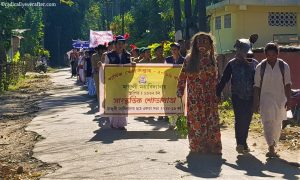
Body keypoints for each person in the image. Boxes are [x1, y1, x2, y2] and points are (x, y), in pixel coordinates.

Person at [177, 32, 222, 154]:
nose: (202, 43)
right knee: (196, 121)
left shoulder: (213, 59)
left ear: (210, 45)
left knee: (211, 121)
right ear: (195, 44)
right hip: (194, 98)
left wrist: (219, 94)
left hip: (209, 97)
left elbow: (217, 79)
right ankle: (197, 147)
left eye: (205, 41)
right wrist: (180, 91)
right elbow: (182, 77)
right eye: (199, 41)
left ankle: (213, 147)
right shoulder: (189, 59)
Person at [216, 38, 258, 154]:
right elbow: (224, 79)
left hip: (250, 96)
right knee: (240, 119)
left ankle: (243, 142)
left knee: (248, 120)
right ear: (238, 51)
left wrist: (259, 98)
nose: (246, 53)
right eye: (243, 50)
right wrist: (218, 92)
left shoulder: (254, 64)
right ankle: (240, 143)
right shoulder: (232, 64)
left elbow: (259, 82)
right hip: (237, 95)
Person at [253, 42, 292, 158]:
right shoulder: (261, 67)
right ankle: (270, 146)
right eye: (268, 54)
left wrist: (289, 100)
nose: (271, 57)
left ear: (277, 54)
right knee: (267, 122)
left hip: (280, 99)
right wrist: (256, 102)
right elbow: (256, 86)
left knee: (277, 123)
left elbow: (288, 84)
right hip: (265, 99)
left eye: (273, 54)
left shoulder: (283, 66)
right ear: (265, 54)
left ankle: (274, 143)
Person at [104, 35, 132, 130]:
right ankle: (114, 123)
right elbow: (106, 69)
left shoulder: (128, 55)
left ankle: (122, 123)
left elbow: (130, 69)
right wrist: (101, 66)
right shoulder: (109, 55)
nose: (120, 45)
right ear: (115, 45)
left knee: (123, 102)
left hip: (124, 83)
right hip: (113, 83)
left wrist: (134, 66)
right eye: (118, 43)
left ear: (124, 45)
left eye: (122, 43)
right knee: (114, 101)